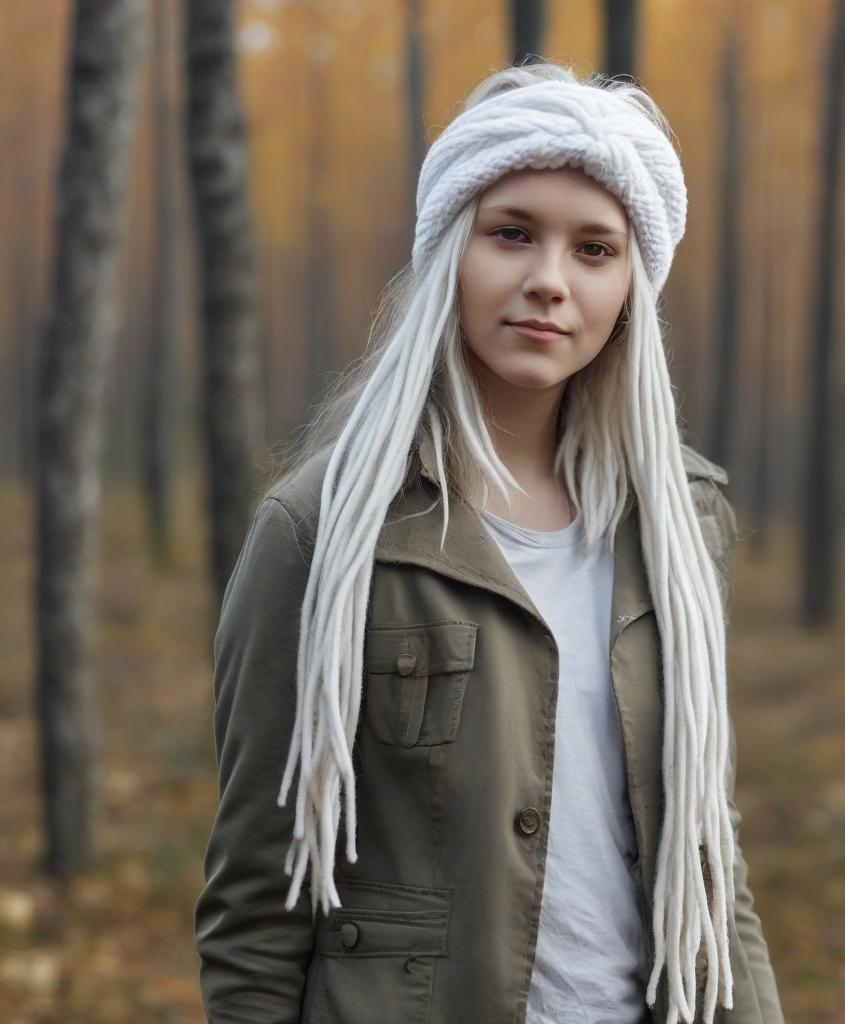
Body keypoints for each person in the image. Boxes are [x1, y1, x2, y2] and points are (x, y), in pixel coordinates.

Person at [194, 59, 784, 1024]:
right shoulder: (323, 537)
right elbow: (258, 913)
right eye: (511, 234)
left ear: (634, 284)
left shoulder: (681, 523)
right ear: (448, 252)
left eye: (596, 250)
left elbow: (714, 865)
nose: (549, 282)